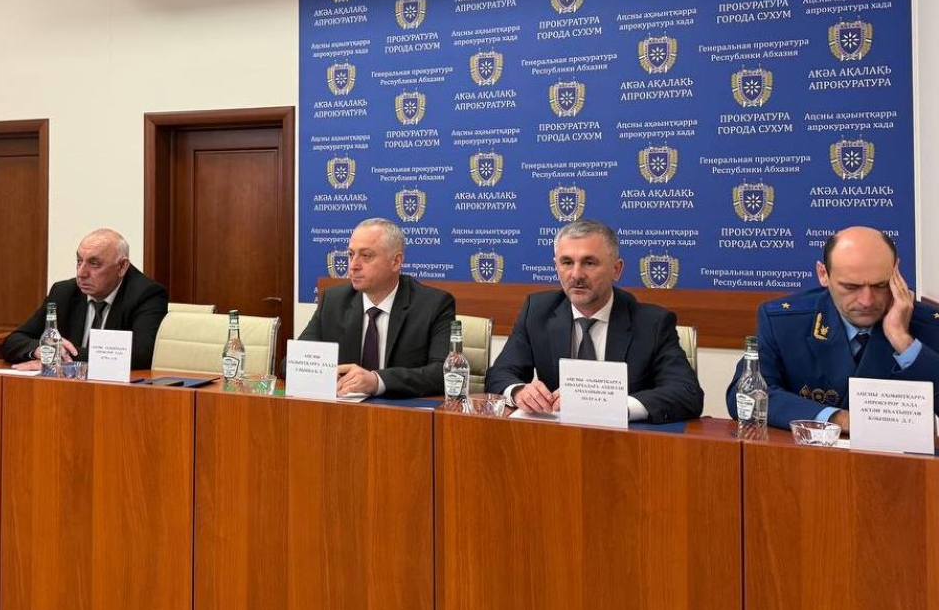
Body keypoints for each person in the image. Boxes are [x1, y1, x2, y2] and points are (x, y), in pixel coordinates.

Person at [485, 219, 703, 423]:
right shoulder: (537, 311)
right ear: (556, 266)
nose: (576, 274)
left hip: (627, 442)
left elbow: (687, 393)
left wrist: (613, 406)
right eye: (567, 262)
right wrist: (519, 391)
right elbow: (499, 375)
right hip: (557, 438)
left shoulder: (652, 323)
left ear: (616, 270)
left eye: (589, 263)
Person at [726, 226, 939, 432]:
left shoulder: (928, 324)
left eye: (880, 285)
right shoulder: (784, 322)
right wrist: (834, 418)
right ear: (823, 274)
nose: (866, 301)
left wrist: (903, 340)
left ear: (896, 271)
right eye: (851, 287)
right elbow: (744, 396)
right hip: (808, 453)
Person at [297, 217, 456, 397]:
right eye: (351, 254)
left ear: (396, 261)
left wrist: (377, 381)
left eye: (366, 256)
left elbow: (444, 373)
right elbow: (292, 363)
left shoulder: (434, 305)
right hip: (344, 409)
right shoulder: (333, 301)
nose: (353, 266)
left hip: (401, 410)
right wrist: (323, 373)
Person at [3, 228, 168, 370]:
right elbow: (14, 341)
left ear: (122, 266)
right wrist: (40, 350)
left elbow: (142, 354)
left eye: (94, 264)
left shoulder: (146, 294)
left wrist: (60, 356)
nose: (81, 273)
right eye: (79, 261)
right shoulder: (64, 292)